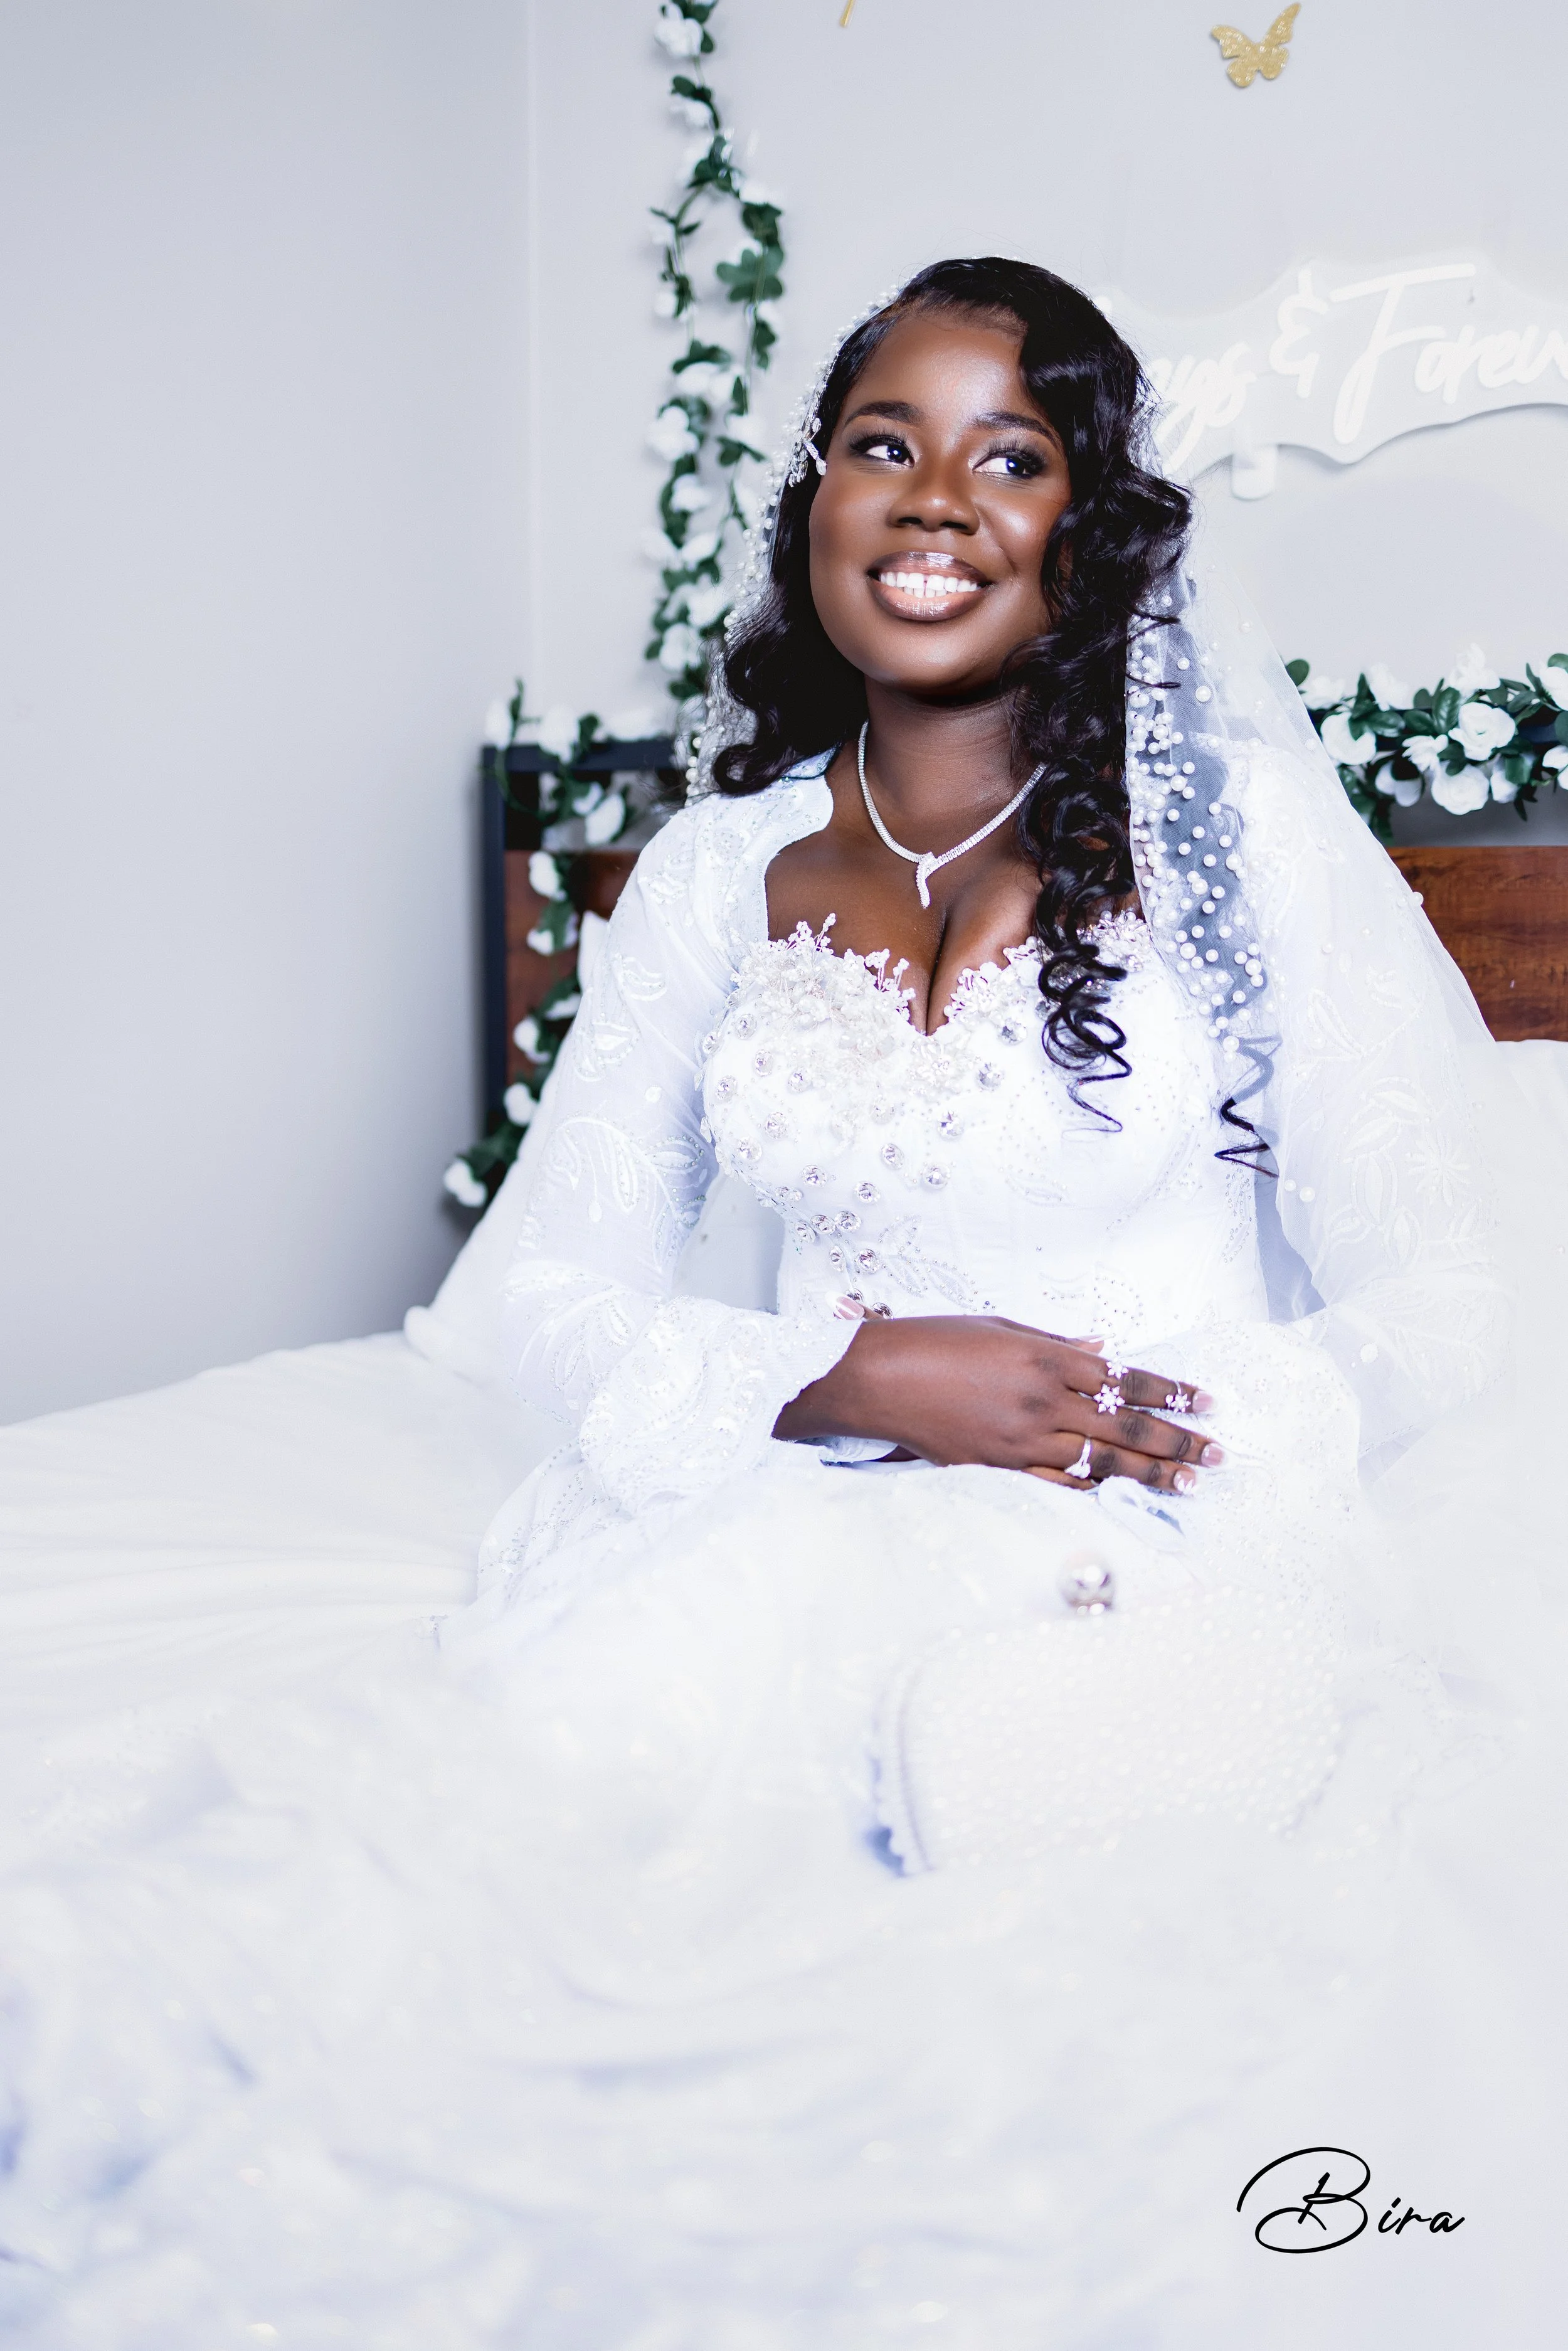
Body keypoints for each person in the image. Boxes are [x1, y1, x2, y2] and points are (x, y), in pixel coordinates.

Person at [0, 259, 1550, 2347]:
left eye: (1012, 458)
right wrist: (834, 1371)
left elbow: (1446, 1282)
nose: (933, 502)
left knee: (1021, 1949)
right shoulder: (716, 876)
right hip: (781, 1496)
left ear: (1088, 532)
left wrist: (1171, 1426)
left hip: (1156, 1524)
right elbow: (528, 1293)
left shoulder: (1235, 839)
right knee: (497, 1902)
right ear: (812, 500)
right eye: (882, 447)